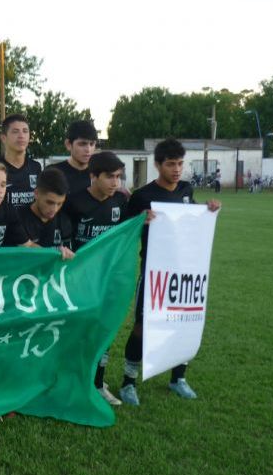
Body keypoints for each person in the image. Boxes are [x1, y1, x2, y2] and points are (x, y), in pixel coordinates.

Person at [119, 138, 221, 406]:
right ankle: (128, 382)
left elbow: (191, 219)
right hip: (154, 273)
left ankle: (178, 378)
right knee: (143, 326)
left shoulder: (186, 189)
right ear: (157, 165)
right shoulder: (142, 195)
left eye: (180, 163)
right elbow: (125, 232)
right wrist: (140, 219)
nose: (177, 169)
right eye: (171, 164)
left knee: (183, 321)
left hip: (185, 271)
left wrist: (208, 209)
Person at [63, 151, 131, 405]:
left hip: (108, 279)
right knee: (77, 330)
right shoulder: (73, 202)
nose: (116, 182)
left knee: (104, 330)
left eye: (119, 177)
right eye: (110, 177)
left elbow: (130, 228)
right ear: (93, 177)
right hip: (79, 280)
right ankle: (71, 380)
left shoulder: (121, 202)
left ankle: (98, 383)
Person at [17, 167, 74, 250]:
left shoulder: (64, 221)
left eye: (60, 203)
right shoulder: (17, 220)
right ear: (36, 193)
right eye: (49, 202)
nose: (54, 209)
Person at [0, 114, 42, 209]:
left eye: (25, 131)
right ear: (3, 138)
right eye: (15, 132)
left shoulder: (36, 167)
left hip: (29, 223)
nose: (21, 136)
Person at [47, 120, 98, 196]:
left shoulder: (99, 174)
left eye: (92, 144)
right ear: (68, 144)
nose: (88, 149)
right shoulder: (52, 173)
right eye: (82, 144)